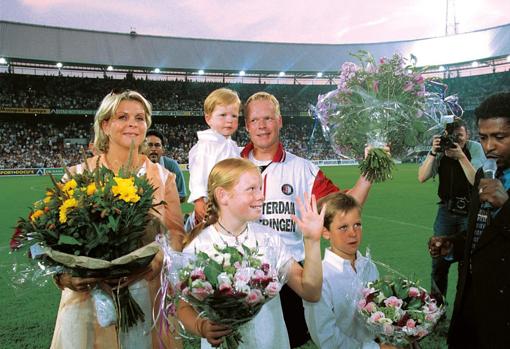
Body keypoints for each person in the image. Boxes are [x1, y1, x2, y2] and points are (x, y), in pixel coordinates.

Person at [50, 90, 185, 349]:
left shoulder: (164, 177)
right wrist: (64, 276)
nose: (133, 123)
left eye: (140, 117)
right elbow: (55, 238)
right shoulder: (78, 175)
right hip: (87, 299)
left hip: (145, 292)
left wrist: (157, 261)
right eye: (122, 116)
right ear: (105, 125)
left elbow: (176, 235)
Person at [241, 91, 374, 347]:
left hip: (291, 273)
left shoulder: (303, 169)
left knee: (290, 341)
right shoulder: (232, 164)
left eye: (268, 118)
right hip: (240, 271)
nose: (262, 126)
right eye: (255, 120)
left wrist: (370, 169)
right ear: (246, 126)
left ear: (279, 121)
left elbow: (345, 207)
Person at [177, 158, 325, 349]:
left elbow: (310, 292)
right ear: (223, 195)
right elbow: (182, 307)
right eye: (252, 189)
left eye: (260, 188)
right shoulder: (200, 245)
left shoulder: (269, 239)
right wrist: (202, 326)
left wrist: (312, 241)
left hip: (272, 342)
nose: (261, 196)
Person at [446, 92, 510, 348]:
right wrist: (453, 245)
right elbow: (481, 235)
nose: (489, 146)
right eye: (483, 137)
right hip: (471, 300)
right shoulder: (484, 173)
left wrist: (506, 206)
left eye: (499, 137)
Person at [303, 192, 397, 349]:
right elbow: (325, 337)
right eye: (343, 227)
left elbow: (379, 312)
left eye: (357, 225)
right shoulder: (320, 278)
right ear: (325, 232)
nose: (353, 233)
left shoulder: (368, 266)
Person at [418, 117, 485, 299]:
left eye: (460, 136)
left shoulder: (474, 148)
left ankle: (463, 310)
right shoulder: (440, 151)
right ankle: (436, 309)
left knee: (467, 263)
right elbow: (422, 177)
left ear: (467, 135)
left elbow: (477, 181)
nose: (455, 141)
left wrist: (461, 156)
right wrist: (433, 152)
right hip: (446, 211)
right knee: (438, 260)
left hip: (470, 212)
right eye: (451, 137)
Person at [187, 87, 241, 227]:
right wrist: (199, 200)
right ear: (208, 118)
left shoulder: (232, 146)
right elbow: (198, 174)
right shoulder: (205, 145)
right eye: (222, 115)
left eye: (234, 116)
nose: (229, 120)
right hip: (210, 206)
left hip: (230, 205)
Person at [146, 128, 187, 203]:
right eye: (150, 145)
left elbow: (182, 195)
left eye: (157, 145)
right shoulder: (137, 165)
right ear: (143, 148)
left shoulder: (172, 165)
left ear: (163, 149)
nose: (153, 149)